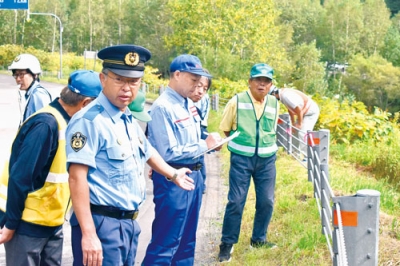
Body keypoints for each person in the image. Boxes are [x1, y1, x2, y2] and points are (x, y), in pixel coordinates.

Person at [65, 45, 195, 266]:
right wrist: (88, 234)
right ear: (103, 79)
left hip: (128, 225)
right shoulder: (88, 121)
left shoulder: (126, 118)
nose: (127, 88)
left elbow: (147, 150)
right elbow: (76, 178)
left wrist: (173, 174)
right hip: (101, 224)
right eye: (119, 79)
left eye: (133, 81)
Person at [0, 70, 103, 266]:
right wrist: (11, 224)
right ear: (86, 103)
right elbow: (20, 177)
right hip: (26, 224)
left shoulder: (68, 123)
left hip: (51, 223)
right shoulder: (46, 124)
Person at [142, 54, 222, 265]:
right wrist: (204, 145)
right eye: (193, 80)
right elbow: (168, 152)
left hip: (193, 176)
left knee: (187, 243)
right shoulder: (163, 107)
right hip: (173, 179)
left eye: (200, 82)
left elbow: (191, 139)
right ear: (177, 75)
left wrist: (208, 142)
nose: (198, 86)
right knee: (166, 242)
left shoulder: (188, 104)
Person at [218, 63, 280, 262]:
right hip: (242, 159)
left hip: (267, 160)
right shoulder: (237, 101)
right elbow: (226, 129)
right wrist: (242, 143)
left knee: (267, 201)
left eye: (266, 81)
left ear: (270, 85)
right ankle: (227, 243)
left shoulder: (274, 103)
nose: (262, 84)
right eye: (258, 80)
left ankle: (258, 239)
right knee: (236, 201)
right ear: (250, 82)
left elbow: (271, 130)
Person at [269, 86, 320, 160]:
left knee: (303, 132)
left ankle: (308, 157)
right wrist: (293, 124)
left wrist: (299, 123)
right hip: (303, 112)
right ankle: (295, 154)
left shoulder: (285, 96)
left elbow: (298, 109)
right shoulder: (282, 95)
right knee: (295, 131)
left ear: (273, 93)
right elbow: (290, 109)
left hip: (310, 112)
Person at [8, 53, 52, 125]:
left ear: (34, 75)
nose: (18, 79)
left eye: (21, 74)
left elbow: (43, 125)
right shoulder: (31, 93)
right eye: (16, 75)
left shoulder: (38, 95)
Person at [190, 71, 212, 194]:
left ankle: (200, 185)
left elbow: (201, 113)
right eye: (198, 86)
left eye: (205, 88)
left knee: (200, 157)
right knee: (199, 156)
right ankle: (201, 185)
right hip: (201, 125)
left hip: (200, 125)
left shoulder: (200, 100)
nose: (201, 92)